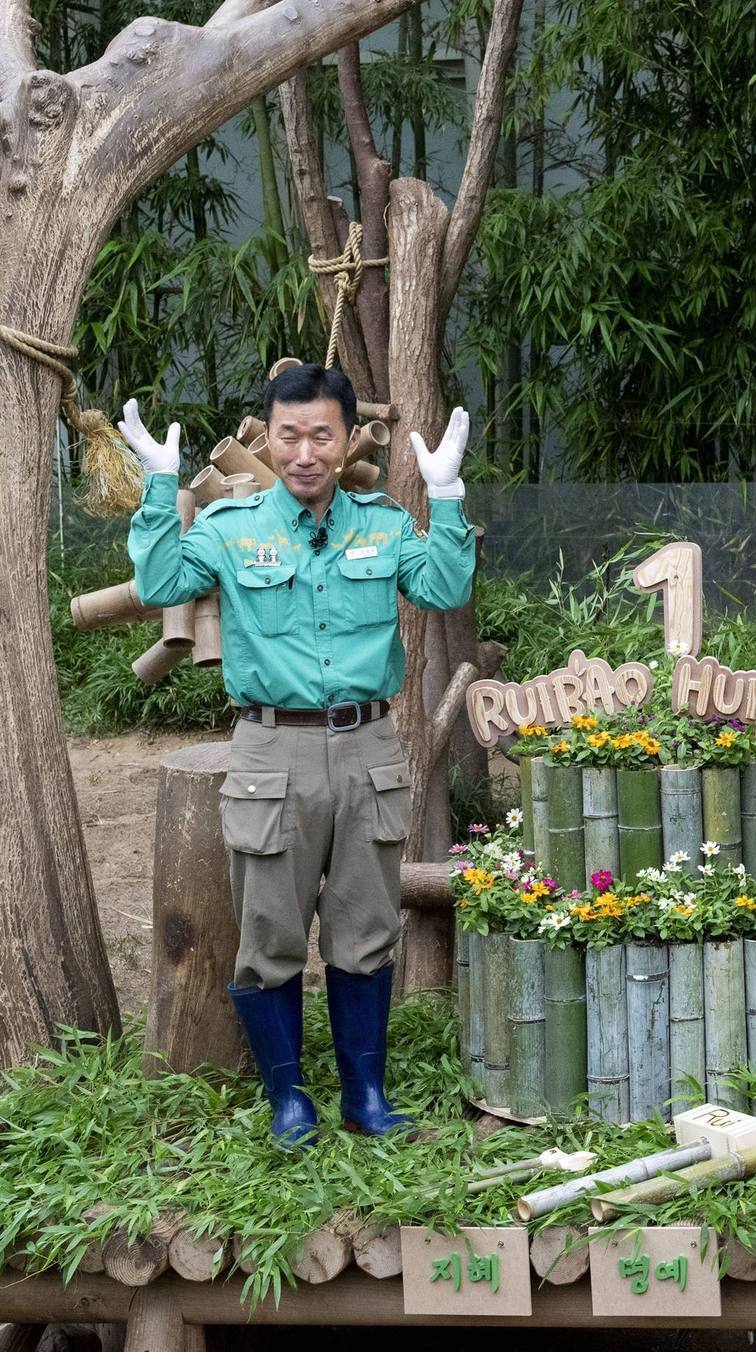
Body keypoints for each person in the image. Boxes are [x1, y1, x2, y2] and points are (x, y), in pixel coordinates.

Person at [119, 364, 475, 1146]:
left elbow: (444, 588)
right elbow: (159, 579)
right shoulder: (233, 528)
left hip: (368, 749)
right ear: (271, 439)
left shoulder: (383, 525)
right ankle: (290, 1102)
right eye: (289, 435)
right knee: (269, 932)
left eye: (322, 434)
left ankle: (365, 1096)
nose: (305, 452)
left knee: (364, 928)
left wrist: (444, 499)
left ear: (348, 439)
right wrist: (157, 486)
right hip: (270, 749)